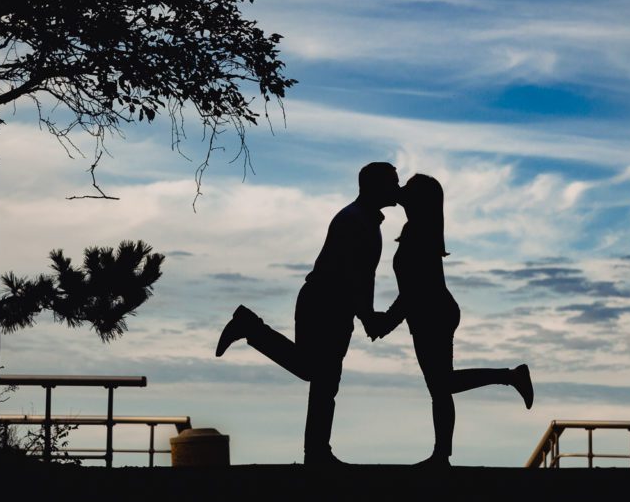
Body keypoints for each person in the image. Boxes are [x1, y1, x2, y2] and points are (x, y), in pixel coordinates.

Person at [214, 162, 400, 466]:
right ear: (375, 186)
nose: (398, 188)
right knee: (320, 375)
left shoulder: (364, 220)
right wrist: (366, 315)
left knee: (322, 376)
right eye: (393, 182)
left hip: (333, 303)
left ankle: (316, 452)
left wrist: (364, 313)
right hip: (324, 302)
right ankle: (316, 452)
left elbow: (363, 276)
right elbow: (351, 274)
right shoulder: (354, 221)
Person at [375, 174, 534, 467]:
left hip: (432, 313)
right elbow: (411, 292)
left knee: (441, 384)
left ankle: (510, 377)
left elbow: (413, 291)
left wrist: (387, 322)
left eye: (409, 188)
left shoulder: (419, 232)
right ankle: (441, 454)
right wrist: (389, 320)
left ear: (419, 199)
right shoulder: (417, 229)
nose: (402, 191)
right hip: (431, 312)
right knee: (440, 387)